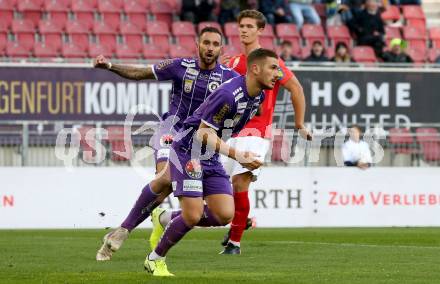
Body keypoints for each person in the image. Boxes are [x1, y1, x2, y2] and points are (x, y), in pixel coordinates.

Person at [94, 27, 239, 261]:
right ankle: (122, 232)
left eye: (215, 44)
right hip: (172, 132)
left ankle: (163, 219)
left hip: (199, 143)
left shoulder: (228, 77)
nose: (210, 48)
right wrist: (110, 66)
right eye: (206, 43)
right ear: (198, 44)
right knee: (166, 177)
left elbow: (247, 95)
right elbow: (141, 73)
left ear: (221, 48)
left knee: (217, 212)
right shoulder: (180, 66)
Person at [144, 48, 280, 277]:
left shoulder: (259, 96)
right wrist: (238, 155)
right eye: (273, 68)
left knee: (225, 214)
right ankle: (155, 259)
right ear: (255, 69)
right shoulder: (229, 94)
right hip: (188, 151)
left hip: (211, 156)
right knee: (193, 215)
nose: (278, 74)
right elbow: (203, 133)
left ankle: (164, 217)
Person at [220, 9, 311, 254]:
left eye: (250, 26)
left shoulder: (272, 63)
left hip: (257, 133)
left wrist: (299, 123)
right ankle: (241, 221)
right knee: (217, 188)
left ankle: (234, 243)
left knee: (240, 182)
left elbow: (296, 89)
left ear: (260, 30)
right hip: (230, 133)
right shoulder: (234, 63)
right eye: (241, 26)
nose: (244, 30)